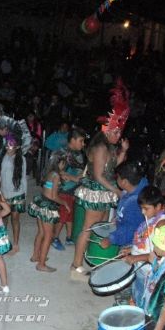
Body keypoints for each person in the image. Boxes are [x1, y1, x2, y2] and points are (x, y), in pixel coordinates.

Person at [71, 80, 130, 281]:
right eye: (116, 132)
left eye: (120, 132)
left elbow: (113, 166)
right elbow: (97, 175)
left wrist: (124, 151)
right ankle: (76, 266)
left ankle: (93, 259)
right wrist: (117, 191)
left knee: (100, 228)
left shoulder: (110, 148)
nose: (118, 135)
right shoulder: (100, 148)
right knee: (88, 229)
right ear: (107, 131)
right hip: (97, 190)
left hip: (104, 191)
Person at [123, 186, 165, 306]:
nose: (142, 212)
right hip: (141, 266)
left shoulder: (163, 225)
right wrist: (131, 249)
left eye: (146, 208)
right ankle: (132, 307)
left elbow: (158, 254)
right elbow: (145, 240)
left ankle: (138, 315)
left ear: (159, 206)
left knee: (142, 297)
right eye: (141, 208)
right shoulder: (152, 217)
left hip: (148, 271)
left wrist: (135, 258)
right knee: (135, 292)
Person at [28, 151, 69, 273]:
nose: (64, 166)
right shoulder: (56, 175)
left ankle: (36, 256)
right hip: (48, 206)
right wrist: (64, 203)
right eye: (64, 164)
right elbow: (53, 196)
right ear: (60, 163)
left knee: (41, 232)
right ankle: (41, 264)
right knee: (48, 236)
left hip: (41, 202)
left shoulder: (49, 172)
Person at [98, 161, 149, 251]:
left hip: (132, 243)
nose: (116, 179)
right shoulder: (137, 187)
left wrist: (111, 239)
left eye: (117, 177)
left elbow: (130, 229)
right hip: (131, 232)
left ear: (124, 182)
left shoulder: (134, 203)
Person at [56, 128, 87, 249]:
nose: (83, 144)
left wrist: (76, 178)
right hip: (63, 189)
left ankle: (69, 237)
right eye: (81, 141)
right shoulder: (62, 153)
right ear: (72, 140)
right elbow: (57, 172)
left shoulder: (78, 154)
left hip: (73, 189)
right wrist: (75, 178)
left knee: (70, 215)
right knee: (63, 215)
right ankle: (54, 237)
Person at [0, 133, 26, 255]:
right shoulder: (1, 155)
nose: (8, 147)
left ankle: (15, 243)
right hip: (4, 192)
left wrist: (24, 195)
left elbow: (23, 178)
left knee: (15, 218)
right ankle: (3, 241)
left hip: (17, 193)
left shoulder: (21, 159)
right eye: (7, 144)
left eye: (11, 145)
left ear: (18, 146)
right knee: (3, 218)